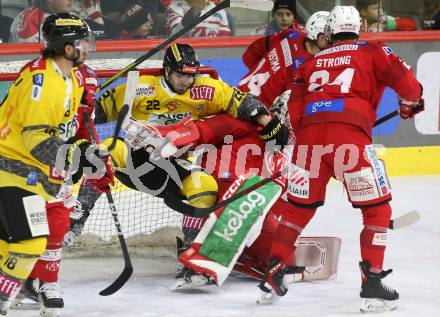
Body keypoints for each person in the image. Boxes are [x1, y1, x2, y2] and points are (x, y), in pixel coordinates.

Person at [64, 42, 289, 281]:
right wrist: (84, 105)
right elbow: (95, 112)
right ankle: (79, 214)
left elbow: (241, 102)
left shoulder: (207, 88)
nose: (186, 81)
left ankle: (192, 251)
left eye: (191, 76)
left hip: (173, 165)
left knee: (206, 188)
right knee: (104, 150)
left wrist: (267, 121)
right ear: (167, 70)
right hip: (133, 158)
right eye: (181, 75)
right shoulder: (140, 87)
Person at [266, 5, 424, 312]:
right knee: (377, 210)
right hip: (348, 140)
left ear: (328, 33)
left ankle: (274, 266)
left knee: (298, 210)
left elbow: (297, 110)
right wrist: (410, 104)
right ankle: (373, 283)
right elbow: (409, 86)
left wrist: (318, 129)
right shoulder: (373, 50)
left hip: (309, 143)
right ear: (360, 25)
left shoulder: (310, 62)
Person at [0, 13, 111, 316]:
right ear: (67, 47)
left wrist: (90, 153)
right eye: (82, 42)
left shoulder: (70, 77)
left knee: (27, 242)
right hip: (12, 170)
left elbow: (64, 132)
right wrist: (81, 161)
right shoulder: (45, 81)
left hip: (29, 172)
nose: (88, 47)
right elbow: (38, 141)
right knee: (29, 243)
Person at [165, 0, 233, 37]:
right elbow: (174, 36)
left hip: (214, 55)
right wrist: (194, 12)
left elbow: (224, 38)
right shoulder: (175, 7)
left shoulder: (219, 10)